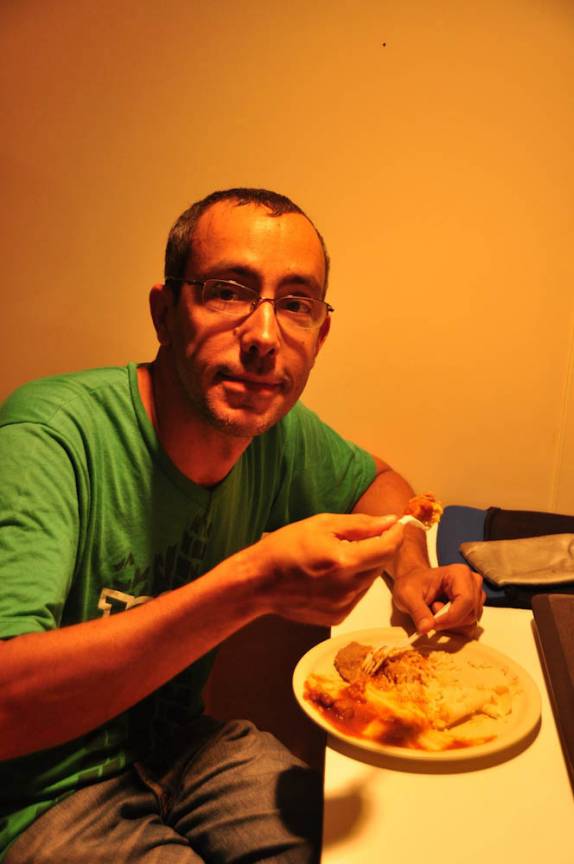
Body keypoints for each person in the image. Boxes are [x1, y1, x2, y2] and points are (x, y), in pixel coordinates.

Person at [0, 187, 484, 863]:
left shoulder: (275, 435)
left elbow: (378, 482)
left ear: (320, 333)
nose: (262, 336)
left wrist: (411, 567)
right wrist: (249, 586)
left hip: (180, 747)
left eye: (295, 304)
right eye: (227, 292)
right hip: (36, 794)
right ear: (165, 312)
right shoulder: (50, 437)